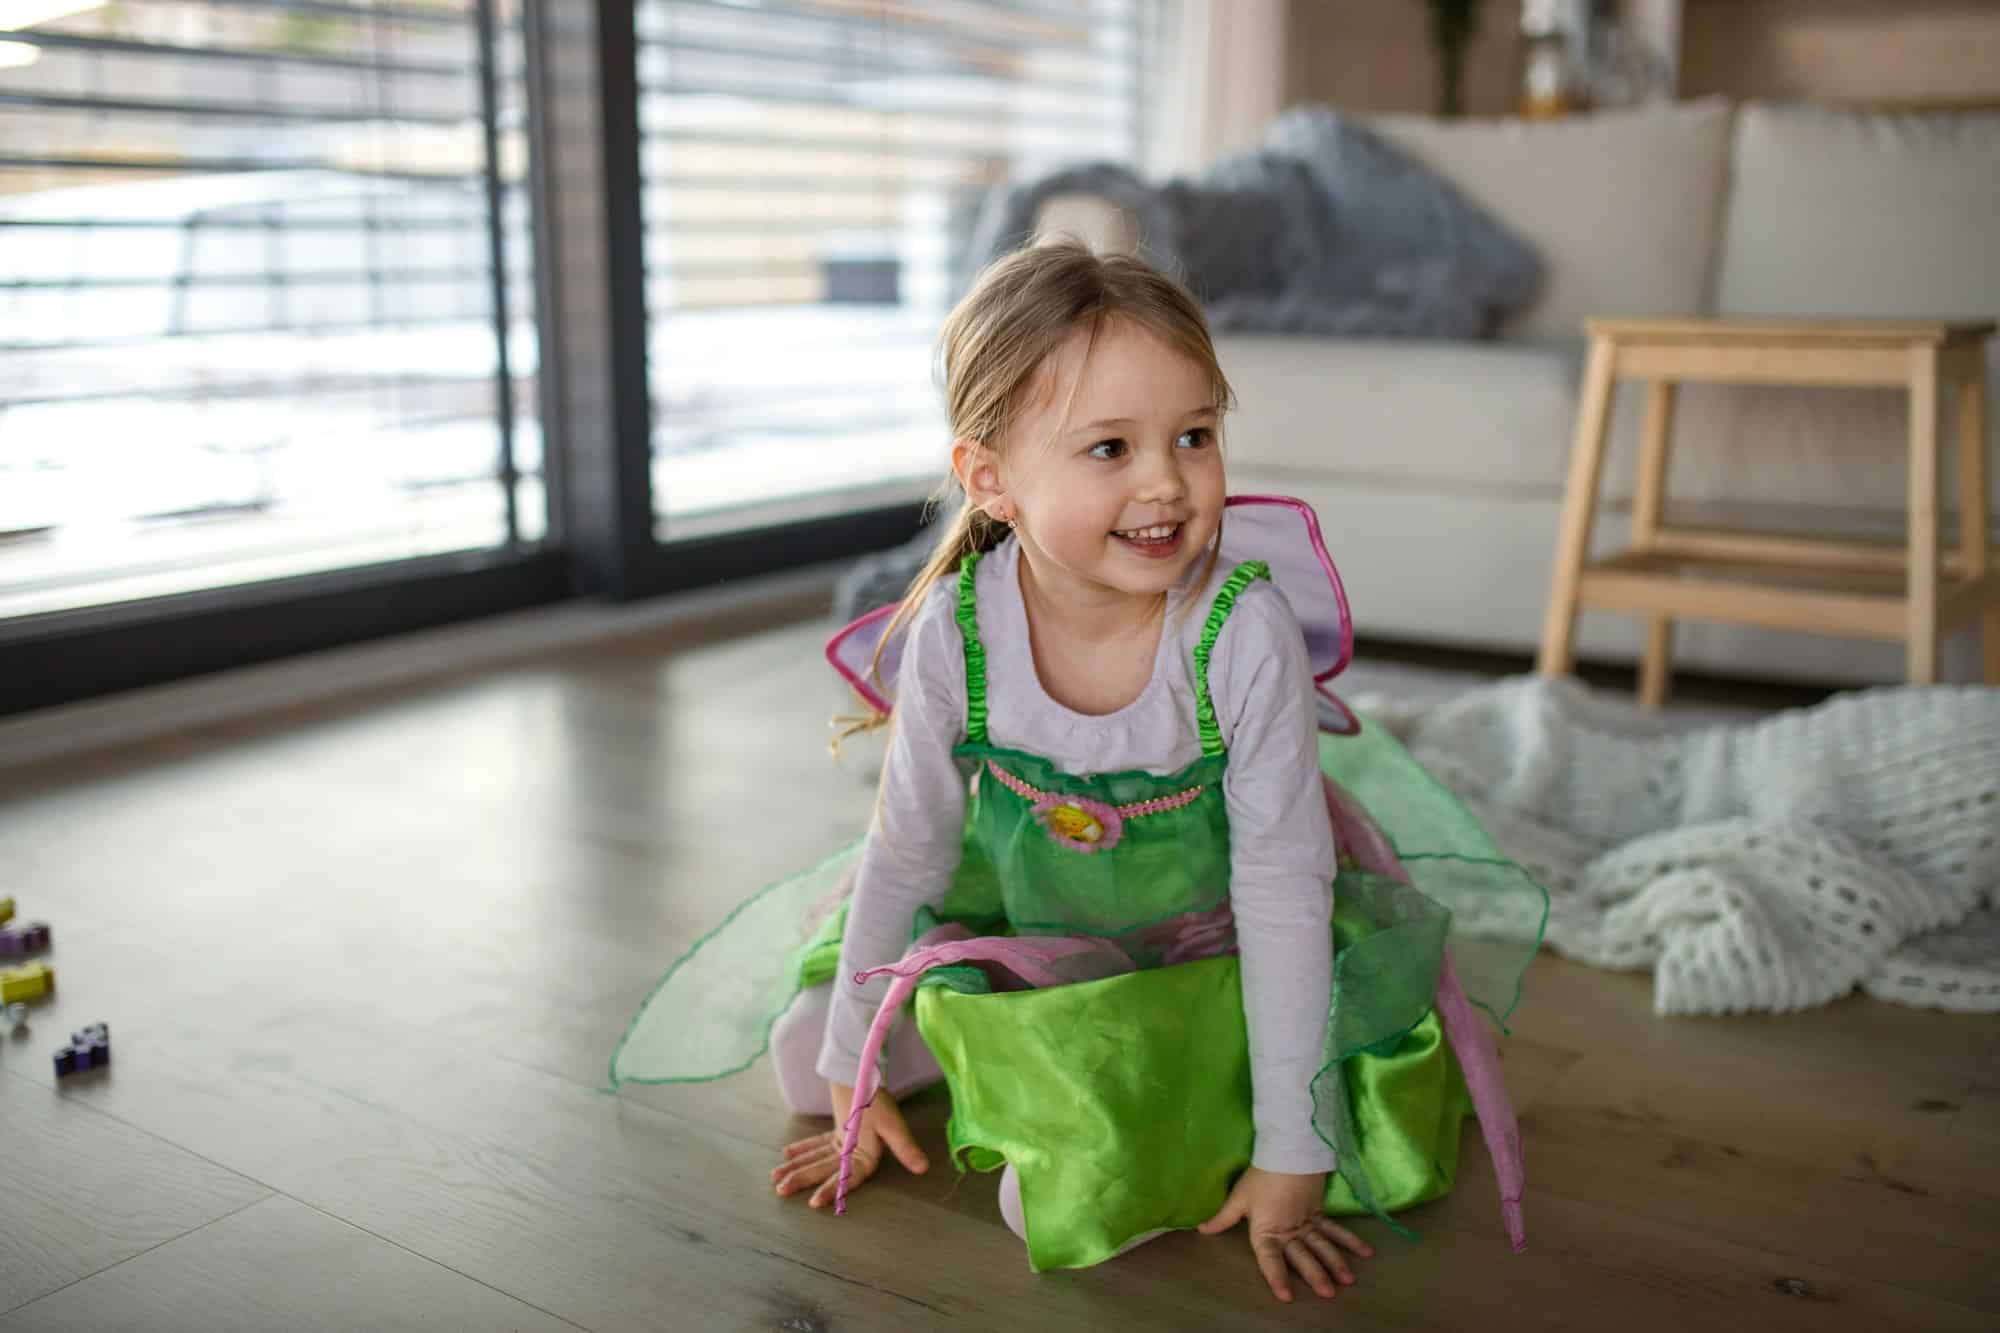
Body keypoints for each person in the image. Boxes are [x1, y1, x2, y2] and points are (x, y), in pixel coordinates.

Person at [611, 240, 1538, 1303]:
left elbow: (1282, 895)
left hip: (1207, 945)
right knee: (806, 1057)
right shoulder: (956, 633)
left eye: (1193, 434)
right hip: (1028, 913)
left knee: (1050, 1196)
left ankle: (1098, 1097)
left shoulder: (1239, 632)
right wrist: (849, 1071)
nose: (1165, 481)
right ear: (989, 479)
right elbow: (908, 846)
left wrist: (1297, 1144)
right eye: (1109, 448)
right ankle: (988, 1071)